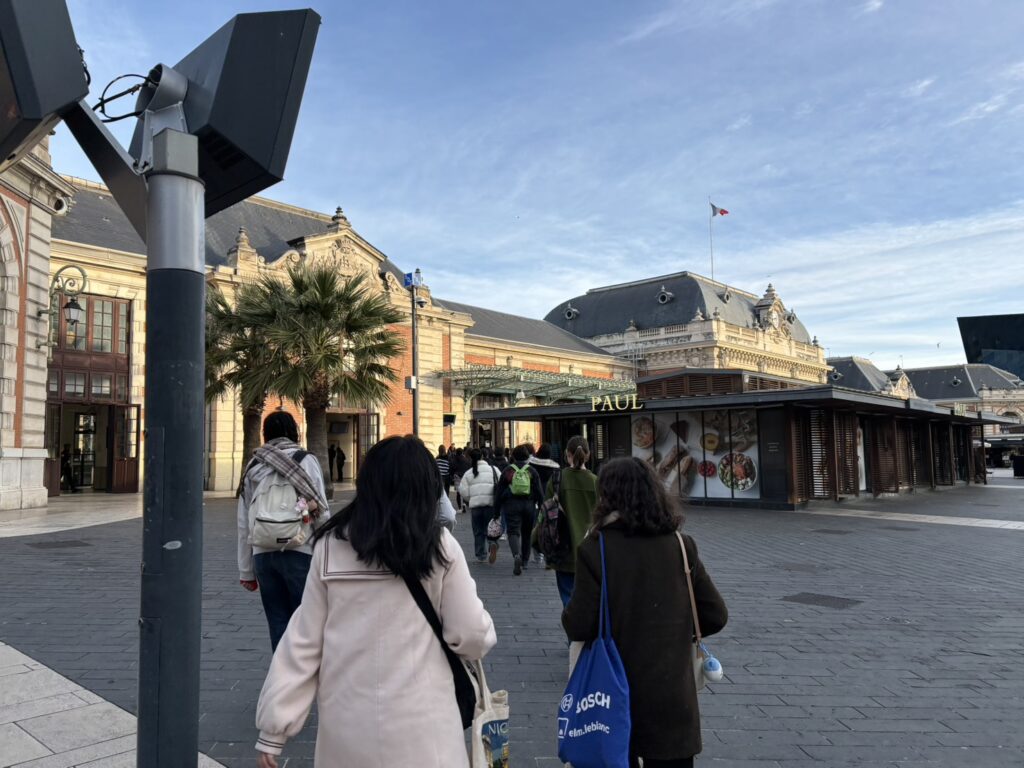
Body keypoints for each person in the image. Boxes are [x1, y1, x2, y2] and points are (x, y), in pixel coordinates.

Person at [254, 436, 496, 767]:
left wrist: (274, 729)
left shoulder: (331, 545)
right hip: (424, 728)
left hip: (346, 729)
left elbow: (302, 643)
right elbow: (471, 634)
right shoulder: (440, 546)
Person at [562, 457, 728, 768]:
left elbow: (579, 625)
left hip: (613, 698)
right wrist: (675, 630)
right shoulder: (681, 545)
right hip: (672, 699)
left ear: (606, 496)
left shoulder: (596, 548)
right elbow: (716, 615)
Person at [237, 412, 329, 651]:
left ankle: (281, 670)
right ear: (294, 432)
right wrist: (327, 553)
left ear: (265, 433)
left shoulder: (254, 464)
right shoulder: (306, 460)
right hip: (300, 548)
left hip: (263, 552)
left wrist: (246, 570)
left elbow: (244, 519)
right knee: (306, 622)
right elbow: (321, 509)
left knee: (277, 621)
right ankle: (306, 670)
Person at [546, 436, 598, 607]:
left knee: (568, 597)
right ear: (588, 455)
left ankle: (572, 621)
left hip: (563, 549)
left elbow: (545, 513)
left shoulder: (557, 479)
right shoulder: (595, 482)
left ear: (566, 454)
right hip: (591, 550)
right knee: (589, 598)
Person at [496, 444, 544, 575]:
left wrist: (496, 511)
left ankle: (516, 555)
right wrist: (541, 507)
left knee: (513, 532)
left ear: (513, 456)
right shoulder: (532, 471)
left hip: (511, 505)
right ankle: (525, 561)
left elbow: (499, 492)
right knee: (527, 533)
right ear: (527, 457)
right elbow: (539, 492)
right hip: (529, 506)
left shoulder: (508, 471)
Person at [458, 448, 500, 563]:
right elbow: (501, 484)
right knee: (490, 529)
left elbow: (463, 491)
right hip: (490, 505)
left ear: (470, 458)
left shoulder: (468, 473)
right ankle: (492, 543)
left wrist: (470, 499)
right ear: (482, 457)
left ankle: (481, 555)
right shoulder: (493, 469)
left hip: (476, 507)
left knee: (478, 531)